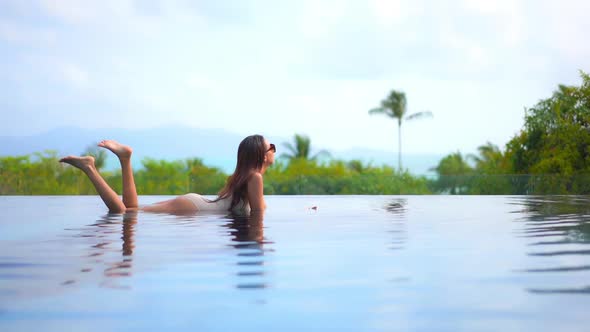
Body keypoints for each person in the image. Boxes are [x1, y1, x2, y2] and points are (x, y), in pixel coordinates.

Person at [59, 134, 276, 214]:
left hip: (195, 203)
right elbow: (259, 212)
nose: (274, 150)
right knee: (126, 213)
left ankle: (125, 159)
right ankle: (90, 168)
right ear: (262, 155)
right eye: (271, 147)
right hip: (194, 208)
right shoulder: (255, 178)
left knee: (132, 210)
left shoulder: (244, 176)